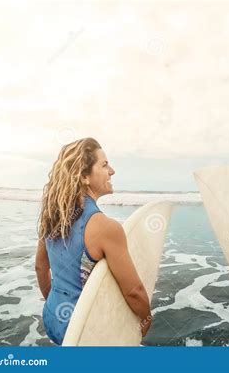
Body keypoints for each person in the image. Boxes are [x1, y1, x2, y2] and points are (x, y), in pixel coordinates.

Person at [35, 137, 152, 345]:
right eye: (105, 164)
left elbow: (40, 268)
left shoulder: (52, 216)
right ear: (84, 177)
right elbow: (134, 291)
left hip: (53, 319)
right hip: (86, 332)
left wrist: (56, 306)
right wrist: (145, 319)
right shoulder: (105, 227)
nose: (112, 171)